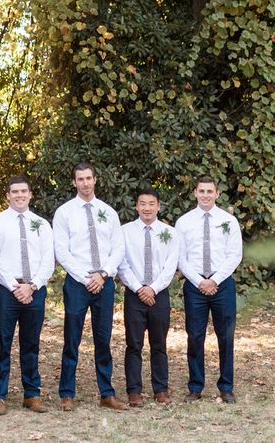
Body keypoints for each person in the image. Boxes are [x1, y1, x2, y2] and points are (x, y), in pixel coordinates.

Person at [53, 162, 127, 411]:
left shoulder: (109, 212)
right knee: (71, 338)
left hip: (104, 283)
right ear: (74, 182)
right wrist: (87, 277)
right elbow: (62, 251)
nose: (85, 183)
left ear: (95, 180)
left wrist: (104, 274)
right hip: (77, 283)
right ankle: (67, 393)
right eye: (80, 179)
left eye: (89, 178)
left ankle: (106, 393)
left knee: (104, 339)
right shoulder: (64, 213)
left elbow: (118, 247)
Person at [0, 176, 54, 415]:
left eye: (23, 191)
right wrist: (14, 286)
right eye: (14, 191)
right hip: (7, 290)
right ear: (7, 195)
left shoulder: (42, 224)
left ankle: (32, 393)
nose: (19, 195)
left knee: (31, 343)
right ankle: (0, 395)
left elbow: (48, 259)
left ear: (30, 194)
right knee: (2, 342)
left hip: (35, 290)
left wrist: (32, 285)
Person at [175, 176, 242, 403]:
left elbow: (235, 255)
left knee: (226, 336)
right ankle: (195, 386)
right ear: (195, 193)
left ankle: (226, 387)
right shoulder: (183, 222)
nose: (205, 195)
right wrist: (199, 281)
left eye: (209, 191)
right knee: (195, 337)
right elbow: (180, 257)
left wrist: (215, 280)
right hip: (195, 286)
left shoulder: (229, 221)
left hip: (222, 285)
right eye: (201, 191)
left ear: (217, 194)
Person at [117, 189, 179, 406]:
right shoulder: (124, 232)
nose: (147, 208)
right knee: (133, 343)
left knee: (159, 343)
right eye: (142, 204)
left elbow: (171, 265)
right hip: (134, 294)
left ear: (158, 206)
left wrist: (153, 288)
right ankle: (134, 390)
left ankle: (160, 389)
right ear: (136, 206)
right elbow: (121, 263)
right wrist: (138, 288)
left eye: (151, 204)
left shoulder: (170, 233)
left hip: (159, 294)